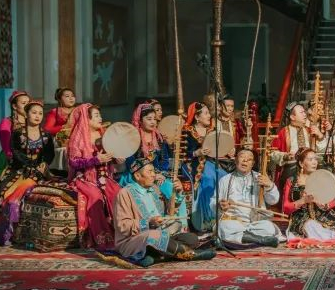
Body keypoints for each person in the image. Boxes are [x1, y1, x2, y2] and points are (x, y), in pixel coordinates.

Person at [113, 159, 215, 267]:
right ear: (137, 176)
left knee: (191, 239)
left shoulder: (155, 189)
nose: (153, 175)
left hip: (160, 234)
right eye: (149, 172)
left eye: (153, 171)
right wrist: (148, 222)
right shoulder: (125, 194)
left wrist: (178, 193)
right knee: (154, 235)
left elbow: (170, 212)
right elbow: (122, 225)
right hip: (134, 240)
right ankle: (191, 255)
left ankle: (155, 257)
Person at [0, 100, 54, 246]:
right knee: (3, 195)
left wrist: (44, 163)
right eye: (34, 112)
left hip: (36, 173)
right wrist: (31, 164)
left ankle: (16, 234)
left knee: (14, 199)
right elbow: (16, 153)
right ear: (26, 114)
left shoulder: (46, 135)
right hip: (16, 170)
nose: (37, 116)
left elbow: (49, 154)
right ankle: (1, 235)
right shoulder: (18, 133)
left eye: (40, 113)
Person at [68, 104, 123, 250]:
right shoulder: (78, 137)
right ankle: (102, 237)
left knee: (118, 192)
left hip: (104, 176)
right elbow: (73, 162)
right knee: (95, 196)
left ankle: (122, 233)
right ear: (86, 119)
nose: (101, 118)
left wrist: (116, 159)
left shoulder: (104, 135)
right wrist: (95, 160)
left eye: (100, 114)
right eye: (97, 115)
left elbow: (111, 156)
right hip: (84, 178)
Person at [120, 103, 186, 221]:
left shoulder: (159, 138)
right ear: (140, 121)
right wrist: (153, 174)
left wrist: (160, 173)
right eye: (149, 119)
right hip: (137, 175)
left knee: (174, 188)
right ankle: (162, 221)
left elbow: (164, 160)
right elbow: (131, 163)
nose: (153, 122)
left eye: (154, 119)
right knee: (167, 188)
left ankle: (179, 223)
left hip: (157, 174)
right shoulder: (133, 138)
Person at [213, 149, 282, 247]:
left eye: (249, 159)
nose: (245, 160)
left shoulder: (260, 178)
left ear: (253, 164)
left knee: (268, 227)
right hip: (233, 221)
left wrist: (269, 185)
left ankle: (244, 238)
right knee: (224, 226)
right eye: (242, 157)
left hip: (255, 223)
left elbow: (273, 200)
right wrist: (220, 205)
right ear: (235, 160)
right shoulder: (225, 180)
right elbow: (214, 201)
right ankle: (261, 239)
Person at [183, 102, 230, 232]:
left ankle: (221, 214)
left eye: (209, 113)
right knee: (208, 178)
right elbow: (182, 153)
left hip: (210, 162)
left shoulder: (212, 131)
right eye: (206, 113)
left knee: (224, 177)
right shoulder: (187, 131)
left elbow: (220, 149)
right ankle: (207, 219)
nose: (209, 116)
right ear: (197, 117)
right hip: (194, 164)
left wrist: (228, 150)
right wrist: (196, 153)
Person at [282, 148, 335, 240]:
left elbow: (332, 201)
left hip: (322, 215)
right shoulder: (291, 181)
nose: (314, 162)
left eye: (315, 159)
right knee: (310, 226)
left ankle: (328, 235)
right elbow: (285, 208)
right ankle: (326, 236)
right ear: (301, 163)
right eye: (310, 159)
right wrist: (303, 201)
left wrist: (323, 204)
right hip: (302, 218)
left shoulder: (322, 179)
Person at [271, 102, 334, 189]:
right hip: (291, 167)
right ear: (292, 117)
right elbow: (272, 153)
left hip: (310, 167)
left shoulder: (309, 130)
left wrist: (320, 136)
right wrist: (285, 156)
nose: (305, 114)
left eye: (304, 112)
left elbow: (324, 151)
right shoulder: (283, 132)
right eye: (301, 112)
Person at [0, 90, 31, 160]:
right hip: (13, 160)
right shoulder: (6, 122)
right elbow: (7, 149)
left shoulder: (32, 122)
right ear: (15, 106)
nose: (28, 106)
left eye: (29, 103)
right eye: (24, 103)